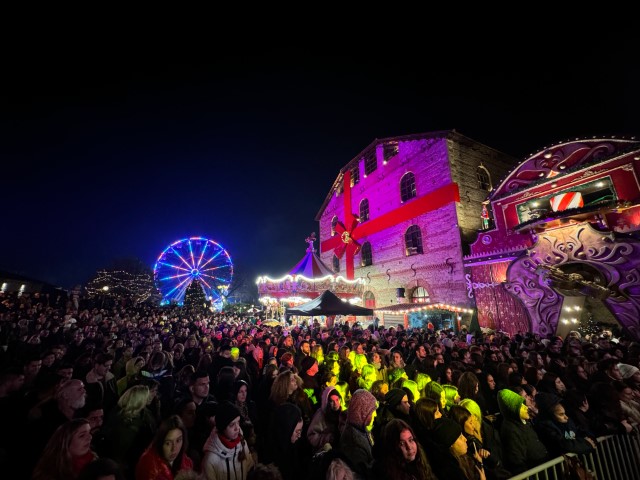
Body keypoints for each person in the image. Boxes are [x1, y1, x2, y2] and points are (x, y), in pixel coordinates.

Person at [497, 388, 548, 475]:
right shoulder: (511, 430)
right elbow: (517, 462)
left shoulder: (523, 422)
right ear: (513, 409)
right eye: (521, 406)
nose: (526, 407)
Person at [201, 401, 255, 480]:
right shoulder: (210, 459)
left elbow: (250, 468)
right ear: (222, 428)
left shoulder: (242, 443)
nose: (237, 428)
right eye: (232, 425)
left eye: (238, 422)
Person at [533, 392, 597, 457]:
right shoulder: (544, 427)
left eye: (564, 413)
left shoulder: (567, 422)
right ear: (550, 416)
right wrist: (587, 444)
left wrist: (590, 439)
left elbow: (580, 431)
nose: (566, 417)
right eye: (561, 414)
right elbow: (562, 444)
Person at [32, 418, 98, 480]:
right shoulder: (49, 473)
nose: (90, 437)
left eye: (89, 432)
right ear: (65, 443)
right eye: (82, 435)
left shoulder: (96, 464)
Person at [371, 418, 437, 480]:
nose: (409, 447)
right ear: (393, 448)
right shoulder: (386, 474)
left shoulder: (420, 464)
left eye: (411, 440)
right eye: (402, 443)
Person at [135, 415, 195, 480]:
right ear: (160, 443)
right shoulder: (148, 465)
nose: (174, 448)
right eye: (168, 443)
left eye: (178, 440)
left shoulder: (187, 463)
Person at [338, 388, 377, 479]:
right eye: (372, 411)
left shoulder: (361, 428)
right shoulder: (353, 442)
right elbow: (363, 472)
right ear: (362, 412)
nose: (375, 414)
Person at [307, 386, 346, 453]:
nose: (335, 403)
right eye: (332, 401)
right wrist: (328, 438)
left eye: (337, 400)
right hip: (325, 451)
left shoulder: (343, 414)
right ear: (327, 402)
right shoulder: (321, 415)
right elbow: (311, 436)